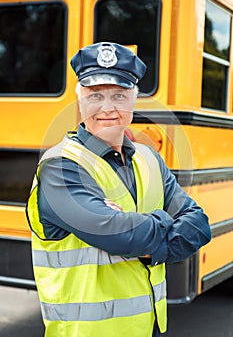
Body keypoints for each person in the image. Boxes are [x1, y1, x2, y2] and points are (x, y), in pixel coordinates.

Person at [26, 42, 211, 337]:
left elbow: (199, 224)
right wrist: (162, 221)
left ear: (134, 101)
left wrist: (142, 239)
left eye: (120, 95)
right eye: (95, 95)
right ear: (80, 101)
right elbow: (116, 234)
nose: (108, 108)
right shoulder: (60, 167)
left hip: (146, 328)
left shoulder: (150, 158)